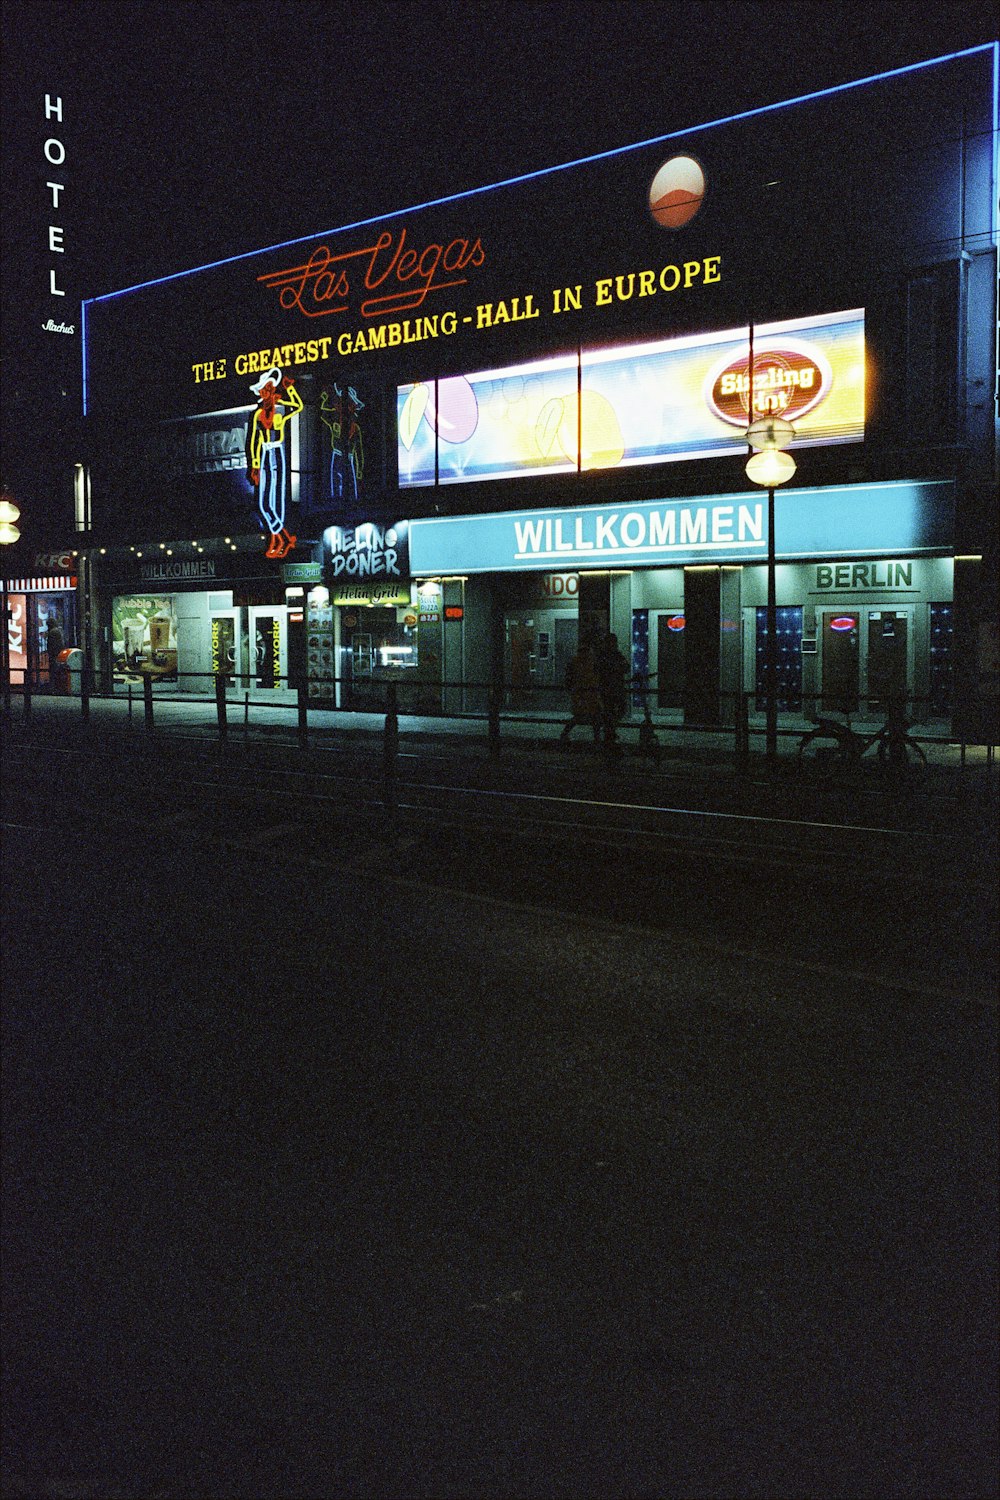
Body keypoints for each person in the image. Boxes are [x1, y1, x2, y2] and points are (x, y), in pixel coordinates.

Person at [246, 365, 303, 558]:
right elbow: (254, 439)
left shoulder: (279, 408)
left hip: (277, 453)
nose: (265, 393)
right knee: (263, 503)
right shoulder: (257, 414)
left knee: (276, 499)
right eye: (263, 390)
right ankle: (283, 537)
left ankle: (277, 539)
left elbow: (298, 406)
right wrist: (254, 464)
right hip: (264, 454)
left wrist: (290, 389)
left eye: (268, 389)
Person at [560, 638, 601, 743]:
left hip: (582, 692)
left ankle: (565, 733)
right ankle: (596, 738)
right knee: (592, 716)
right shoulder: (591, 661)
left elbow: (569, 677)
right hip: (588, 692)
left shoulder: (576, 661)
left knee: (582, 716)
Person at [597, 631, 630, 746]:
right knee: (611, 710)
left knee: (616, 709)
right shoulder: (606, 655)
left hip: (613, 687)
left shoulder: (614, 655)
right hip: (610, 687)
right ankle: (609, 731)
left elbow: (626, 667)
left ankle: (610, 730)